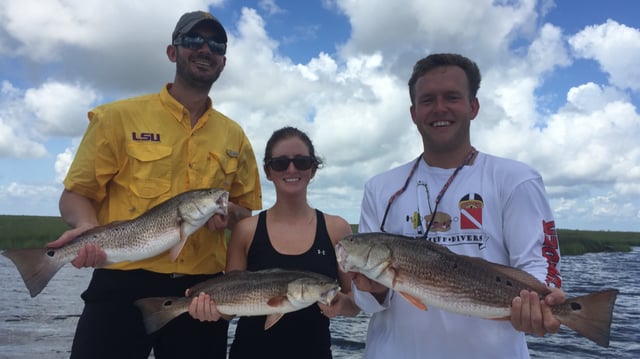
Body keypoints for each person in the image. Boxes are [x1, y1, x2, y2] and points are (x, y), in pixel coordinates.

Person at [46, 11, 262, 359]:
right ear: (172, 51)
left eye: (216, 44)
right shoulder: (116, 118)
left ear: (223, 60)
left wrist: (230, 215)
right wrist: (88, 229)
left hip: (202, 290)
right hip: (122, 282)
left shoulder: (234, 135)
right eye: (193, 40)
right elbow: (75, 195)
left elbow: (244, 209)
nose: (205, 49)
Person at [349, 53, 565, 358]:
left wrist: (545, 306)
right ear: (413, 113)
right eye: (427, 100)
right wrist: (372, 288)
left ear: (473, 106)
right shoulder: (380, 187)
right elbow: (368, 302)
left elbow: (540, 264)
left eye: (451, 97)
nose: (439, 108)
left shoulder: (516, 179)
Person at [189, 126, 360, 359]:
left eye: (301, 162)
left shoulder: (336, 229)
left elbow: (355, 301)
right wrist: (209, 310)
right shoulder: (245, 230)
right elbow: (231, 302)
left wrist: (341, 305)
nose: (291, 169)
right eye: (280, 163)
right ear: (268, 171)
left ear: (313, 169)